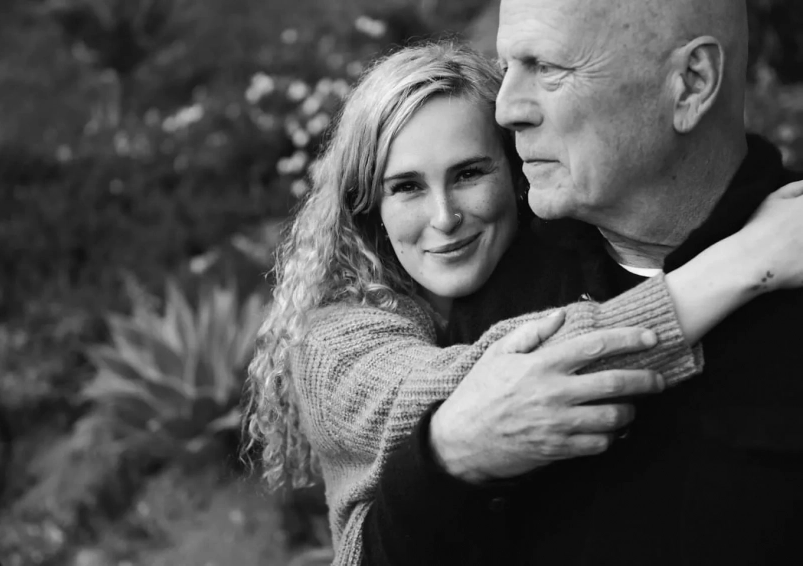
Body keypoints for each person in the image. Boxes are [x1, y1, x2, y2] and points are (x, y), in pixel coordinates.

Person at [245, 42, 803, 565]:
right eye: (407, 187)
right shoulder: (333, 344)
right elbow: (502, 385)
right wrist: (748, 260)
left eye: (469, 173)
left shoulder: (549, 265)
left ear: (516, 173)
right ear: (369, 207)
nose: (444, 217)